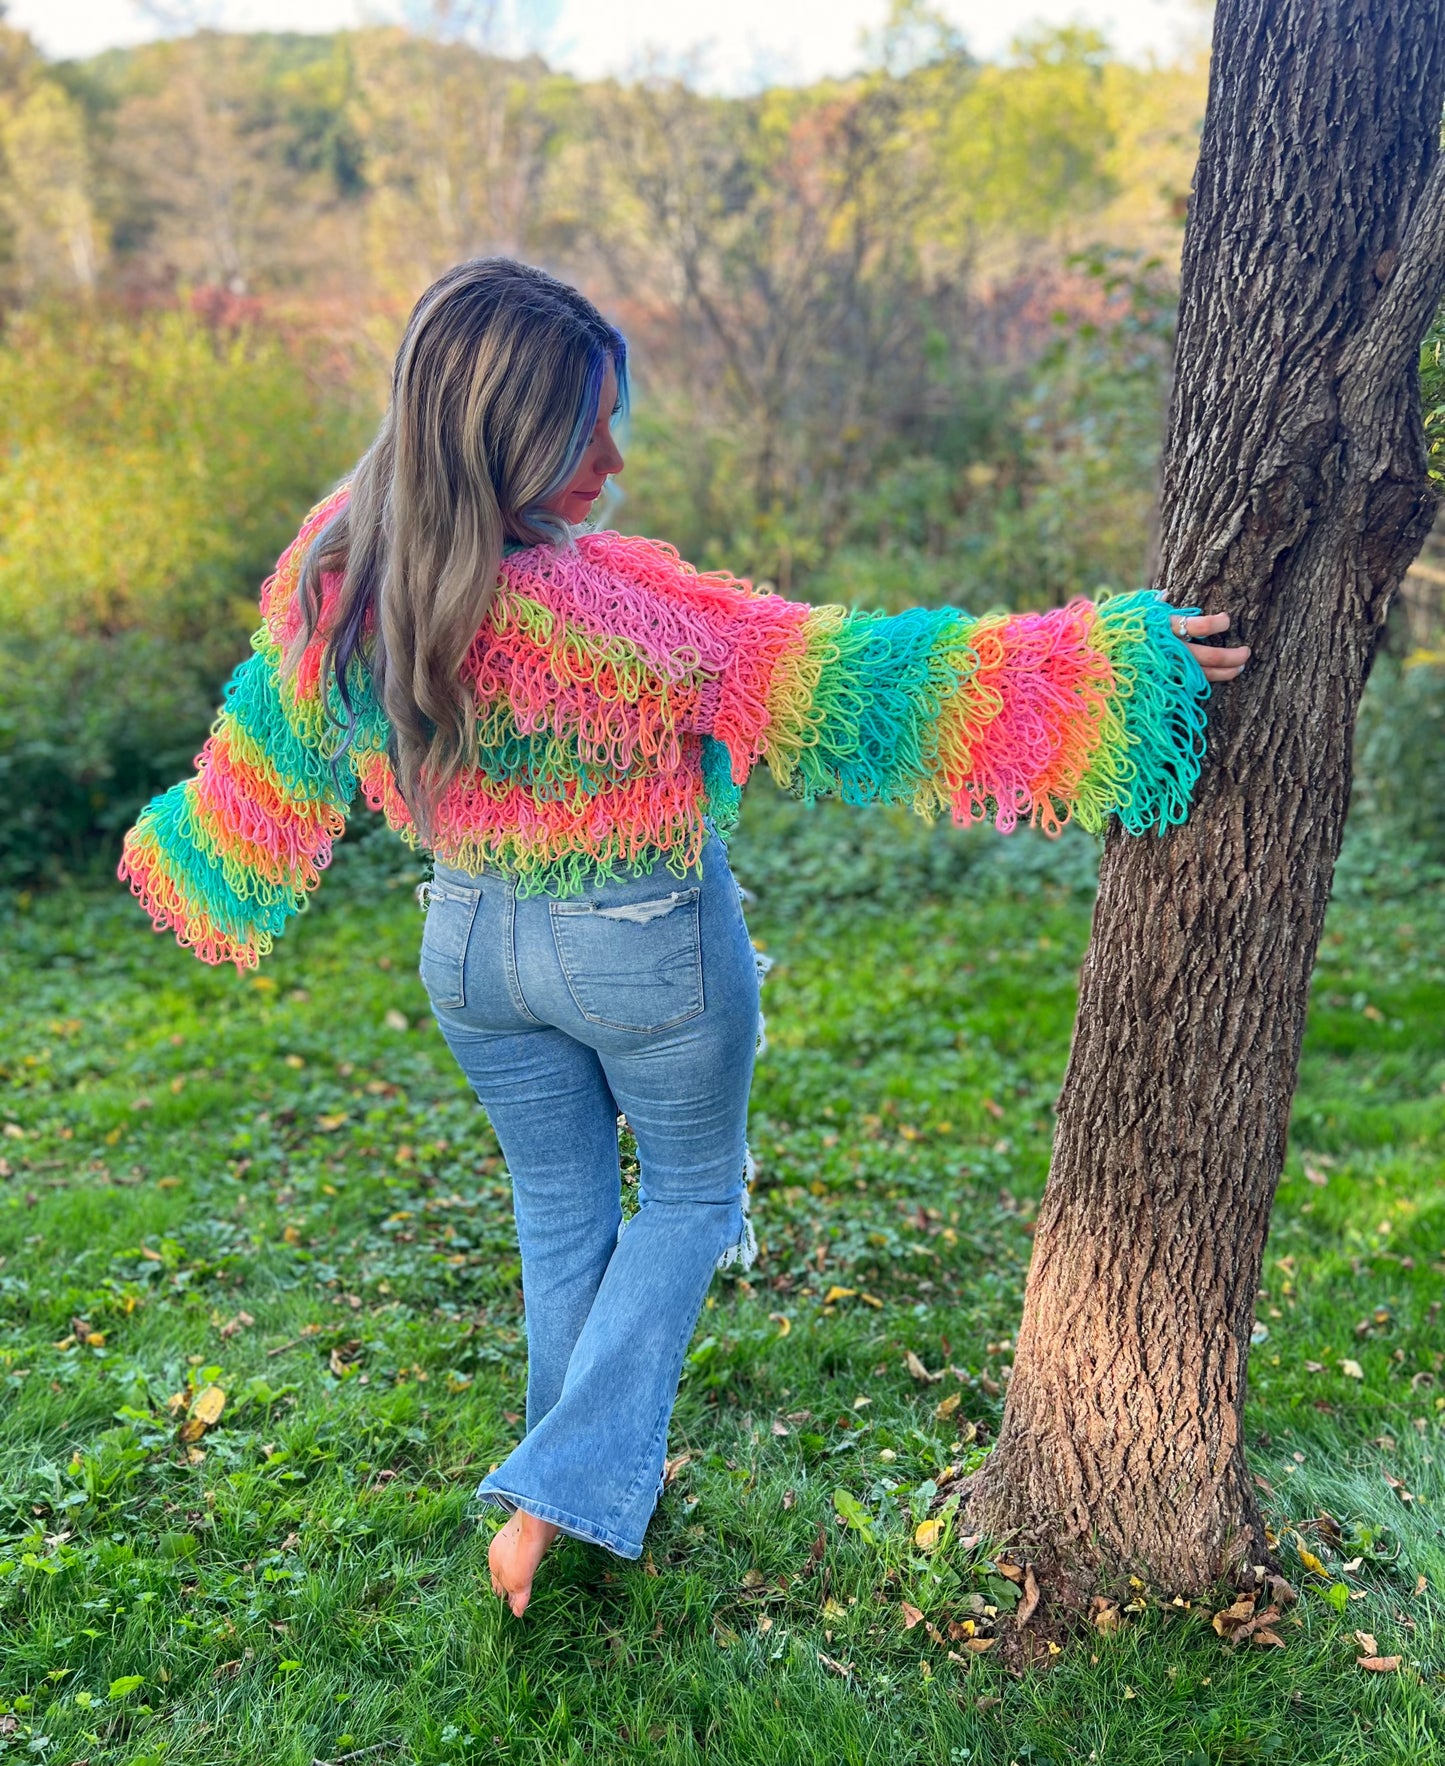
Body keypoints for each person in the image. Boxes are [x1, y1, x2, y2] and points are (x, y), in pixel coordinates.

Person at [119, 257, 1245, 1616]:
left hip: (468, 947)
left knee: (561, 1213)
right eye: (581, 430)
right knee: (694, 1199)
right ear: (500, 430)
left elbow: (265, 751)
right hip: (640, 947)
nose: (612, 460)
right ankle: (561, 1489)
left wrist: (187, 861)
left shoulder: (348, 562)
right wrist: (1112, 672)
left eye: (612, 422)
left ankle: (566, 1494)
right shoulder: (634, 617)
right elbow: (873, 685)